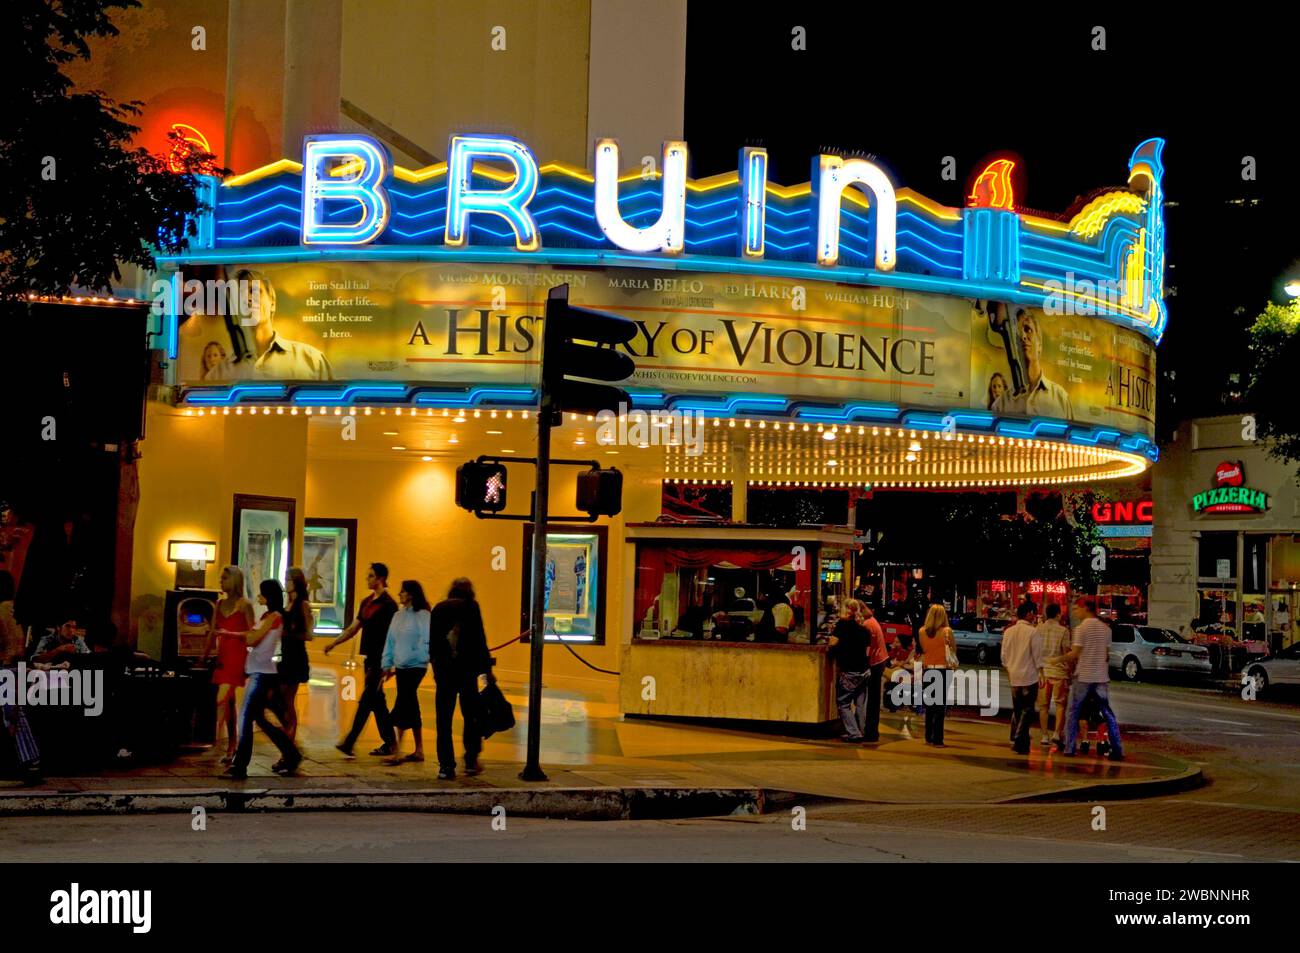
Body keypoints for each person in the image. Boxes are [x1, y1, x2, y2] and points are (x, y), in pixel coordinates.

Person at [224, 579, 302, 779]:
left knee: (245, 718)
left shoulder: (274, 617)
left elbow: (252, 638)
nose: (258, 597)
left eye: (261, 594)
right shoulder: (268, 616)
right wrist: (232, 633)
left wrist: (240, 634)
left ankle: (240, 765)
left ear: (268, 596)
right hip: (260, 671)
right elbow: (251, 634)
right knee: (260, 720)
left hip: (262, 674)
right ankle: (292, 755)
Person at [327, 562, 399, 757]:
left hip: (381, 660)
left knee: (367, 700)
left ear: (381, 579)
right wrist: (334, 643)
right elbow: (353, 628)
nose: (368, 579)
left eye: (371, 576)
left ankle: (350, 741)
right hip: (369, 658)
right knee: (377, 701)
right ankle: (391, 742)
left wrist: (391, 664)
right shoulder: (366, 602)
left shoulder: (389, 605)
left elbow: (394, 636)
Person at [209, 269, 333, 380]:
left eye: (255, 291)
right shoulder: (216, 375)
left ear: (272, 303)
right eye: (240, 296)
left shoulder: (312, 361)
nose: (247, 299)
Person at [429, 578, 491, 779]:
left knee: (443, 720)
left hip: (445, 672)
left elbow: (433, 643)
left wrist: (436, 667)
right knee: (470, 716)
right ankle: (471, 759)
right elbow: (480, 640)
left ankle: (446, 766)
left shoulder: (439, 609)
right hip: (467, 671)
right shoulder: (471, 607)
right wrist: (486, 670)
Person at [201, 566, 255, 763]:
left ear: (234, 581)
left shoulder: (244, 605)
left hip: (237, 656)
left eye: (224, 578)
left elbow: (252, 634)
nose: (221, 582)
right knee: (229, 703)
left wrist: (232, 635)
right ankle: (231, 745)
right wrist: (204, 656)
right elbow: (212, 632)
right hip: (223, 656)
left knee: (221, 698)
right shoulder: (219, 603)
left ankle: (218, 740)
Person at [1060, 597, 1124, 760]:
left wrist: (1057, 659)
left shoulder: (1081, 629)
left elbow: (1075, 653)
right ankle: (1117, 749)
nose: (1074, 612)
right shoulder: (1106, 629)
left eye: (1076, 609)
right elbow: (1106, 656)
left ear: (1085, 608)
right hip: (1101, 677)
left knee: (1074, 712)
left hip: (1084, 676)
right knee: (1107, 713)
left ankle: (1070, 747)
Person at [381, 580, 431, 765]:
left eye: (402, 591)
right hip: (401, 666)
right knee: (410, 703)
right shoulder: (397, 616)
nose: (399, 594)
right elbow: (390, 641)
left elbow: (427, 640)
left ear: (411, 594)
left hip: (416, 666)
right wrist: (386, 664)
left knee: (403, 701)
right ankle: (419, 750)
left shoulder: (424, 616)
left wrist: (421, 656)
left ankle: (397, 751)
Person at [991, 308, 1073, 420]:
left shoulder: (1061, 398)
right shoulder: (1001, 405)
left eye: (1028, 329)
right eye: (1018, 332)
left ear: (1039, 345)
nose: (1023, 336)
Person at [0, 570, 39, 781]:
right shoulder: (16, 610)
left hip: (4, 667)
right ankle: (29, 758)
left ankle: (20, 761)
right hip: (18, 667)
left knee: (10, 717)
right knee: (17, 714)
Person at [274, 567, 314, 754]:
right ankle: (288, 735)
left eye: (288, 579)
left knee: (288, 699)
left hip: (296, 657)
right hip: (286, 655)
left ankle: (289, 740)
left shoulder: (302, 605)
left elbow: (309, 634)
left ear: (296, 582)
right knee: (281, 698)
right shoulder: (287, 605)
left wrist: (288, 633)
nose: (286, 582)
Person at [1001, 601, 1042, 754]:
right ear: (1029, 613)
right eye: (1034, 613)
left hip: (1014, 676)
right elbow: (1037, 656)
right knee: (1028, 710)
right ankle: (1019, 740)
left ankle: (1020, 741)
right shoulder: (1033, 632)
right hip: (1029, 676)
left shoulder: (1008, 632)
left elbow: (1003, 657)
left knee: (1018, 709)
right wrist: (1041, 672)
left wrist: (1011, 668)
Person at [829, 599, 871, 742]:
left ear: (846, 610)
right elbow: (867, 652)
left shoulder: (842, 625)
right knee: (860, 704)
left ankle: (854, 733)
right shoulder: (864, 630)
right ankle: (862, 730)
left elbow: (832, 644)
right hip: (864, 671)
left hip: (849, 671)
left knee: (843, 703)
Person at [917, 604, 956, 746]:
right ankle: (938, 739)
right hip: (943, 670)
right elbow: (953, 650)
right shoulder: (947, 631)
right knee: (940, 707)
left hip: (928, 670)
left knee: (930, 705)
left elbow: (924, 649)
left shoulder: (921, 631)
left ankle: (928, 736)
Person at [1034, 603, 1071, 747]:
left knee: (1043, 706)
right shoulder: (1063, 631)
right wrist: (1069, 670)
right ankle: (1056, 733)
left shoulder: (1038, 629)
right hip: (1059, 672)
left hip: (1042, 673)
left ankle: (1044, 736)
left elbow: (1035, 651)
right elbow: (1067, 652)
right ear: (1058, 615)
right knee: (1060, 704)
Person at [859, 603, 890, 742]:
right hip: (880, 661)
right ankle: (871, 731)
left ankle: (870, 732)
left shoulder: (867, 625)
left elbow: (868, 648)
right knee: (873, 699)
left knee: (871, 699)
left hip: (875, 662)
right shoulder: (872, 621)